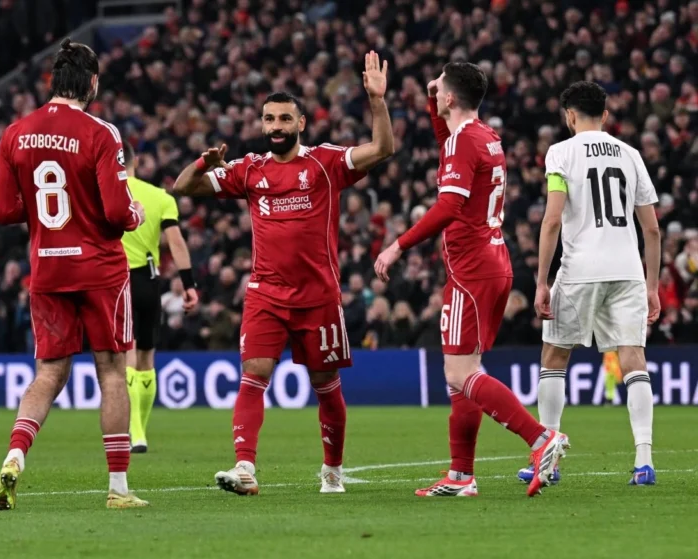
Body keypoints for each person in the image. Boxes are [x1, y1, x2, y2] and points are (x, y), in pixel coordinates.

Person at [172, 51, 394, 495]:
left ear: (301, 124)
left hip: (319, 297)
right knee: (253, 374)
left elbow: (383, 149)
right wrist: (204, 163)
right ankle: (245, 468)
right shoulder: (250, 170)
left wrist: (377, 102)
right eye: (269, 119)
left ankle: (333, 470)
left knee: (326, 387)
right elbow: (182, 188)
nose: (275, 126)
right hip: (266, 295)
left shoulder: (326, 164)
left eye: (284, 119)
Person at [374, 62, 569, 498]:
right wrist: (430, 102)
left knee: (462, 373)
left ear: (450, 98)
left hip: (471, 270)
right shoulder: (483, 136)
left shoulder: (466, 140)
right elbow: (449, 150)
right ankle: (461, 476)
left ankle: (542, 439)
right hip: (493, 264)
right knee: (461, 374)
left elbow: (447, 207)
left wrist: (397, 245)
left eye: (439, 89)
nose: (435, 92)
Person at [0, 38, 148, 510]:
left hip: (48, 268)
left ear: (53, 82)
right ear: (93, 82)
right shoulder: (102, 133)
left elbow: (2, 210)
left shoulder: (16, 133)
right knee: (113, 371)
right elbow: (118, 210)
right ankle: (118, 488)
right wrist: (136, 215)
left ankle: (15, 455)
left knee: (49, 372)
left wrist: (41, 216)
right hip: (99, 269)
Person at [517, 81, 660, 486]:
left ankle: (548, 460)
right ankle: (644, 460)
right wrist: (651, 285)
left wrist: (542, 281)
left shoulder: (561, 152)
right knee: (633, 359)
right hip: (628, 270)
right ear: (606, 116)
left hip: (581, 269)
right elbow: (651, 229)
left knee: (554, 356)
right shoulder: (631, 155)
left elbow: (552, 219)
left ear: (570, 116)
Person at [121, 140, 199, 453]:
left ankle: (134, 431)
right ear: (135, 161)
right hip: (149, 281)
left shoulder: (104, 194)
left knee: (127, 353)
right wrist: (189, 284)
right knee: (146, 357)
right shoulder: (160, 197)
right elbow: (176, 243)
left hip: (117, 280)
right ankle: (142, 429)